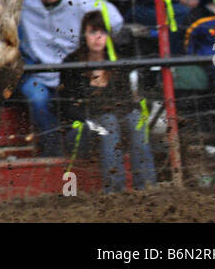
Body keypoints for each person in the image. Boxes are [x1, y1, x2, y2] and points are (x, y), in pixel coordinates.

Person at [18, 0, 123, 156]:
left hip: (77, 72)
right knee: (35, 96)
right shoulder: (25, 8)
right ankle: (54, 152)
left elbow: (115, 19)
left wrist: (89, 48)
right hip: (44, 74)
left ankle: (80, 146)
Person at [59, 12, 157, 193]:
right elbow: (67, 108)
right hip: (83, 132)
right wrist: (96, 118)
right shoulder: (71, 64)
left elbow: (127, 103)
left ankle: (147, 188)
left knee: (136, 118)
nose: (98, 37)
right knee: (108, 122)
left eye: (103, 32)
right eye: (92, 32)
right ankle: (115, 192)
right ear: (83, 35)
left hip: (116, 130)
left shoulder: (117, 63)